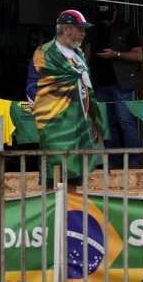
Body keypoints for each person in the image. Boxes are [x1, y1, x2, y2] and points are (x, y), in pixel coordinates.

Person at [31, 10, 105, 188]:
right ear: (66, 29)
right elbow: (33, 89)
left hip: (79, 125)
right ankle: (53, 215)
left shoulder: (78, 54)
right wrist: (46, 122)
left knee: (74, 176)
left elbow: (87, 88)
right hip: (56, 126)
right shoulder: (45, 53)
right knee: (54, 176)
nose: (83, 33)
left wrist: (95, 121)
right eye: (80, 29)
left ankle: (70, 214)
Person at [87, 3, 143, 164]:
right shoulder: (93, 30)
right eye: (103, 19)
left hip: (121, 85)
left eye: (109, 18)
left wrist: (116, 54)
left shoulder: (127, 29)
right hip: (99, 84)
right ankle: (113, 162)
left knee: (125, 121)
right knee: (107, 124)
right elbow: (88, 54)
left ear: (116, 12)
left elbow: (139, 56)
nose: (106, 22)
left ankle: (135, 160)